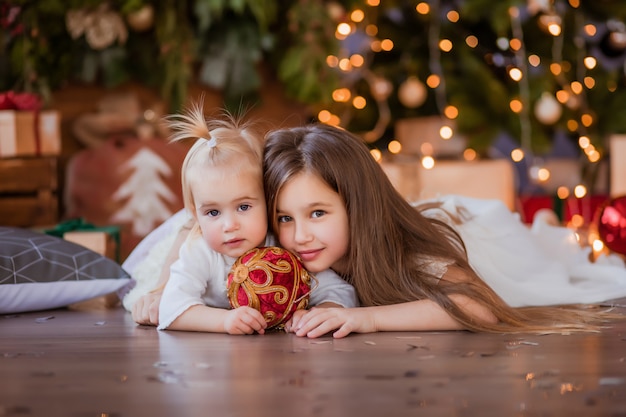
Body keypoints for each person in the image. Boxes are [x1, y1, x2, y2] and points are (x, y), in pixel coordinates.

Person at [262, 123, 626, 339]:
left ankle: (544, 233)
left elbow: (479, 308)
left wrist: (366, 318)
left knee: (549, 262)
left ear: (357, 206)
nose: (299, 236)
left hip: (478, 233)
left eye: (318, 213)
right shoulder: (292, 254)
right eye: (284, 218)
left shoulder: (407, 251)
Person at [148, 106, 357, 334]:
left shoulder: (281, 249)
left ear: (268, 202)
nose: (229, 226)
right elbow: (171, 308)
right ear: (195, 214)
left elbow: (340, 291)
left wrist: (319, 313)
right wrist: (223, 322)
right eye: (213, 213)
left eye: (244, 207)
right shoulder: (201, 253)